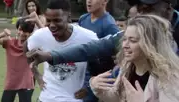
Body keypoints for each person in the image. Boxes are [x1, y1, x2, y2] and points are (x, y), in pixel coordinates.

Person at [27, 0, 179, 71]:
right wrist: (50, 56)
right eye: (139, 8)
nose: (141, 15)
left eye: (147, 8)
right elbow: (92, 48)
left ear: (168, 7)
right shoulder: (134, 32)